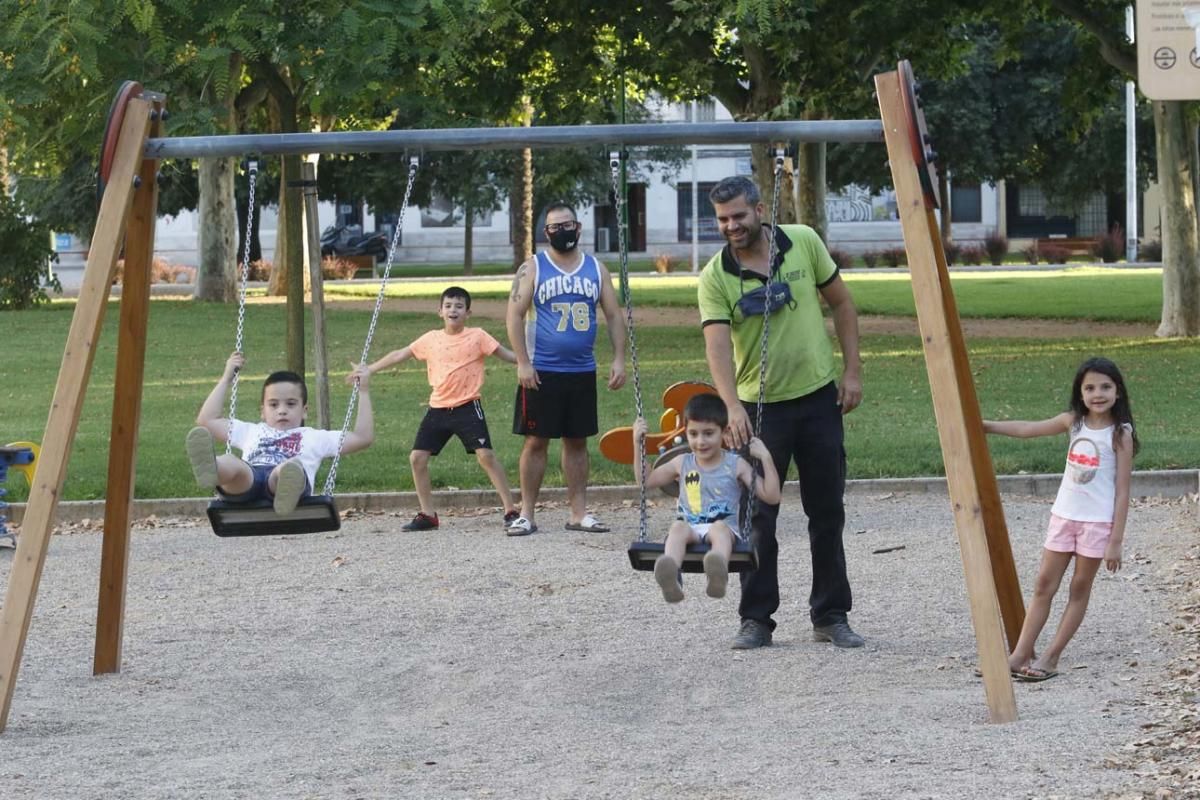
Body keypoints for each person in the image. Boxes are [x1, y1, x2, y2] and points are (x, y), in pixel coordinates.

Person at [697, 175, 864, 650]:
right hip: (757, 409)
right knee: (757, 518)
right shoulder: (715, 276)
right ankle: (755, 619)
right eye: (723, 219)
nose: (732, 226)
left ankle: (831, 615)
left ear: (758, 210)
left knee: (827, 510)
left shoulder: (804, 243)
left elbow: (843, 305)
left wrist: (852, 372)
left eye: (739, 216)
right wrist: (731, 407)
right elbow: (716, 346)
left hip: (817, 399)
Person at [983, 356, 1137, 682]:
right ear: (1080, 393)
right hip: (1064, 518)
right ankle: (1021, 653)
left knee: (1079, 589)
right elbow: (1027, 429)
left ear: (1118, 391)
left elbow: (1123, 491)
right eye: (1090, 387)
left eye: (1105, 387)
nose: (1098, 394)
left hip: (1097, 525)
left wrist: (1116, 541)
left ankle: (1051, 657)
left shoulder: (1120, 434)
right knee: (1043, 586)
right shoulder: (1073, 422)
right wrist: (986, 426)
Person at [504, 202, 627, 536]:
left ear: (579, 226)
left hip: (582, 371)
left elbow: (614, 315)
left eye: (567, 224)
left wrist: (618, 358)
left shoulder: (596, 269)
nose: (562, 231)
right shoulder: (533, 268)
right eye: (555, 227)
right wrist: (523, 362)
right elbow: (513, 315)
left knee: (577, 442)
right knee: (535, 441)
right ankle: (527, 513)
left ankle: (578, 513)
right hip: (542, 371)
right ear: (546, 233)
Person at [366, 286, 521, 531]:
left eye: (459, 306)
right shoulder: (430, 339)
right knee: (417, 458)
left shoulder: (478, 336)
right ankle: (428, 515)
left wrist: (528, 361)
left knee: (486, 456)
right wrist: (369, 369)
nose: (453, 310)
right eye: (448, 306)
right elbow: (399, 354)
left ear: (468, 312)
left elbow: (508, 355)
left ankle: (511, 510)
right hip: (437, 408)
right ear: (440, 311)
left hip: (468, 406)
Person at [633, 393, 781, 604]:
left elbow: (772, 496)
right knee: (677, 528)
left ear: (724, 432)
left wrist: (765, 457)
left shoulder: (735, 464)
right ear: (686, 433)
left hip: (724, 531)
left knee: (719, 527)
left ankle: (717, 572)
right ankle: (670, 576)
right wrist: (638, 445)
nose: (700, 441)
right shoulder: (681, 462)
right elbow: (646, 481)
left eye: (708, 433)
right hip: (690, 528)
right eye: (693, 434)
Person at [186, 353, 374, 514]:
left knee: (287, 468)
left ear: (305, 410)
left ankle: (286, 491)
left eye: (291, 404)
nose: (282, 410)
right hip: (250, 480)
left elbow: (362, 438)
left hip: (284, 483)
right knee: (233, 463)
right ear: (263, 411)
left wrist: (363, 391)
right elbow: (207, 420)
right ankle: (213, 468)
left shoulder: (315, 437)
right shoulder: (251, 431)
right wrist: (227, 377)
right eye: (274, 405)